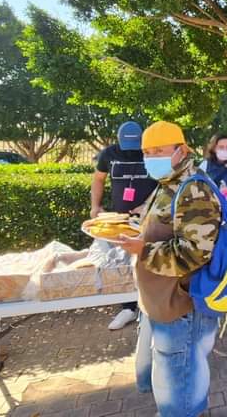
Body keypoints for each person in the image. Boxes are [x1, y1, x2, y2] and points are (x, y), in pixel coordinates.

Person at [116, 121, 221, 417]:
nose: (151, 158)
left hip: (181, 306)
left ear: (181, 150)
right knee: (177, 380)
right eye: (147, 152)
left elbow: (196, 253)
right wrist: (140, 237)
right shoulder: (168, 184)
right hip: (162, 302)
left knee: (179, 391)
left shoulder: (194, 188)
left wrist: (143, 250)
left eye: (159, 151)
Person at [91, 121, 158, 330]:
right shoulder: (108, 154)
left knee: (148, 259)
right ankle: (128, 308)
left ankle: (151, 305)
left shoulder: (151, 154)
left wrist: (146, 205)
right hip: (119, 218)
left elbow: (165, 184)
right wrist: (95, 206)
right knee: (123, 262)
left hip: (148, 217)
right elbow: (98, 180)